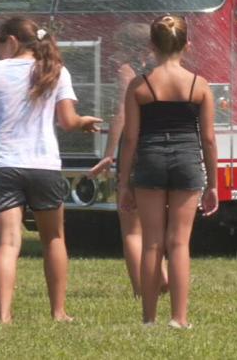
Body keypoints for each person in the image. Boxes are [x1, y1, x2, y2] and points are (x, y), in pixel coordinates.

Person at [0, 17, 102, 324]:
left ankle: (4, 315)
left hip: (4, 164)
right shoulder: (56, 71)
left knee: (7, 243)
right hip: (43, 165)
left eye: (0, 45)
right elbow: (68, 122)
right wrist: (83, 122)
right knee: (53, 238)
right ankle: (58, 311)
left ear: (12, 41)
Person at [118, 14, 219, 329]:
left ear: (152, 45)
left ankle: (148, 318)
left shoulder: (139, 85)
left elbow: (130, 138)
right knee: (179, 243)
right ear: (187, 46)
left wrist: (123, 183)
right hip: (187, 162)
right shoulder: (199, 85)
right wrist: (213, 184)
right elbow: (209, 139)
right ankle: (179, 318)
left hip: (150, 160)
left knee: (152, 243)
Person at [88, 22, 168, 298]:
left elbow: (122, 113)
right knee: (154, 223)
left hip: (136, 150)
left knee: (132, 228)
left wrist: (109, 154)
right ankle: (163, 272)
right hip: (164, 149)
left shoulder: (128, 70)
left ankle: (141, 289)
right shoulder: (167, 69)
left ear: (129, 47)